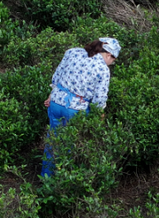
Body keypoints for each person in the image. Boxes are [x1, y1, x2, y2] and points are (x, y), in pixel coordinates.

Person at [41, 37, 120, 177]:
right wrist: (100, 119)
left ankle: (46, 178)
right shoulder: (102, 69)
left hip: (56, 102)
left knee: (53, 140)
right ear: (109, 55)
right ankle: (63, 181)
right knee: (71, 145)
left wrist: (51, 95)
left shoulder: (72, 52)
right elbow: (99, 100)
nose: (111, 64)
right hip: (75, 109)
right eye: (113, 61)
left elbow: (57, 76)